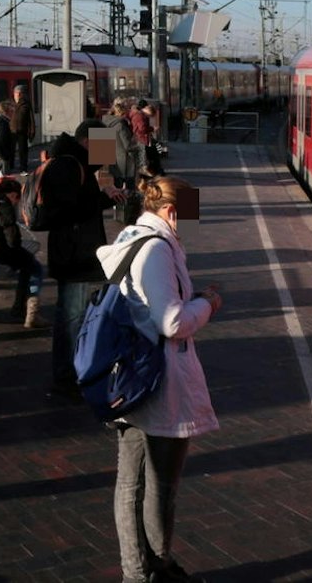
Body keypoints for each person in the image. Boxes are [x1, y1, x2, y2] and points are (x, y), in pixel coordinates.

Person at [97, 174, 220, 583]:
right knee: (158, 482)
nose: (192, 224)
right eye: (189, 215)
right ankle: (154, 567)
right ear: (170, 211)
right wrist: (207, 304)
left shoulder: (134, 239)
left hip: (131, 377)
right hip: (156, 381)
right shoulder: (157, 251)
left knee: (130, 481)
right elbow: (171, 321)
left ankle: (141, 568)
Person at [39, 132, 108, 398]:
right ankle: (65, 378)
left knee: (75, 315)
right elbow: (68, 210)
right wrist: (102, 199)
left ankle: (70, 374)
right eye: (102, 144)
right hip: (72, 254)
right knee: (70, 317)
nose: (104, 155)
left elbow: (91, 178)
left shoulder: (75, 162)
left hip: (76, 251)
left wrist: (107, 196)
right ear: (87, 141)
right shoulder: (67, 165)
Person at [0, 176, 44, 326]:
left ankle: (20, 308)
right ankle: (30, 313)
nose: (17, 201)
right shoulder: (4, 205)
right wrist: (17, 249)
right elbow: (11, 235)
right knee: (35, 267)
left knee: (27, 265)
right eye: (17, 197)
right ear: (11, 194)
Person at [6, 83, 33, 170]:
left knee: (23, 150)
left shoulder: (26, 104)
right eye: (16, 93)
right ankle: (10, 165)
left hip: (22, 131)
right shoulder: (10, 103)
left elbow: (31, 120)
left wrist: (31, 132)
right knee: (11, 150)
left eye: (18, 93)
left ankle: (23, 166)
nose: (17, 95)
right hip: (12, 131)